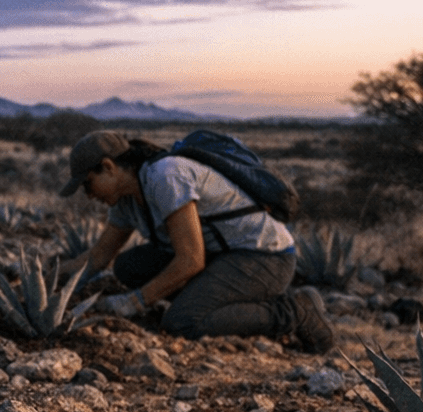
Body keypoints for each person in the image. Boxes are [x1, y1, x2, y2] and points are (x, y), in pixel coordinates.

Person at [59, 130, 334, 352]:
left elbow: (191, 260)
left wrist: (134, 302)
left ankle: (296, 311)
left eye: (87, 184)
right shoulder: (126, 200)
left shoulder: (166, 176)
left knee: (183, 322)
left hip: (264, 258)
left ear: (108, 167)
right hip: (221, 257)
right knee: (129, 266)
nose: (88, 194)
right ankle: (213, 300)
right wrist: (51, 279)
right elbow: (98, 257)